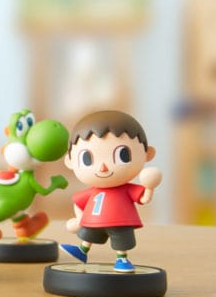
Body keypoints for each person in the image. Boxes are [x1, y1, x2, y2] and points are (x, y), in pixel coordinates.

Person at [60, 110, 161, 273]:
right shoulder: (92, 192)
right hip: (94, 221)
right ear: (70, 161)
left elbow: (144, 199)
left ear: (147, 154)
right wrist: (80, 219)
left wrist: (150, 186)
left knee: (121, 239)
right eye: (87, 159)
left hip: (121, 221)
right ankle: (82, 251)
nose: (103, 167)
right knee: (88, 234)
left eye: (123, 155)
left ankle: (122, 259)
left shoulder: (127, 189)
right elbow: (78, 203)